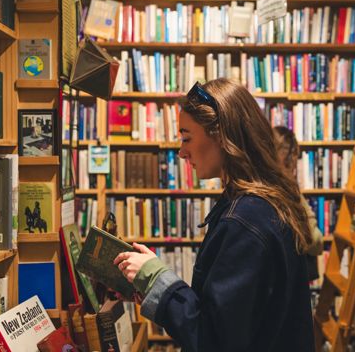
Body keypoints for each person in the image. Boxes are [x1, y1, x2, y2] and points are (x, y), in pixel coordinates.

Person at [113, 78, 316, 351]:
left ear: (221, 136)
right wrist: (154, 285)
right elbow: (230, 315)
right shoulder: (264, 202)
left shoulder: (245, 221)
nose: (181, 151)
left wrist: (156, 279)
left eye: (186, 137)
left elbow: (213, 339)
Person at [273, 126, 324, 281]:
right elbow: (314, 241)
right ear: (289, 156)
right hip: (290, 275)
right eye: (295, 156)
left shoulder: (261, 183)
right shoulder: (286, 188)